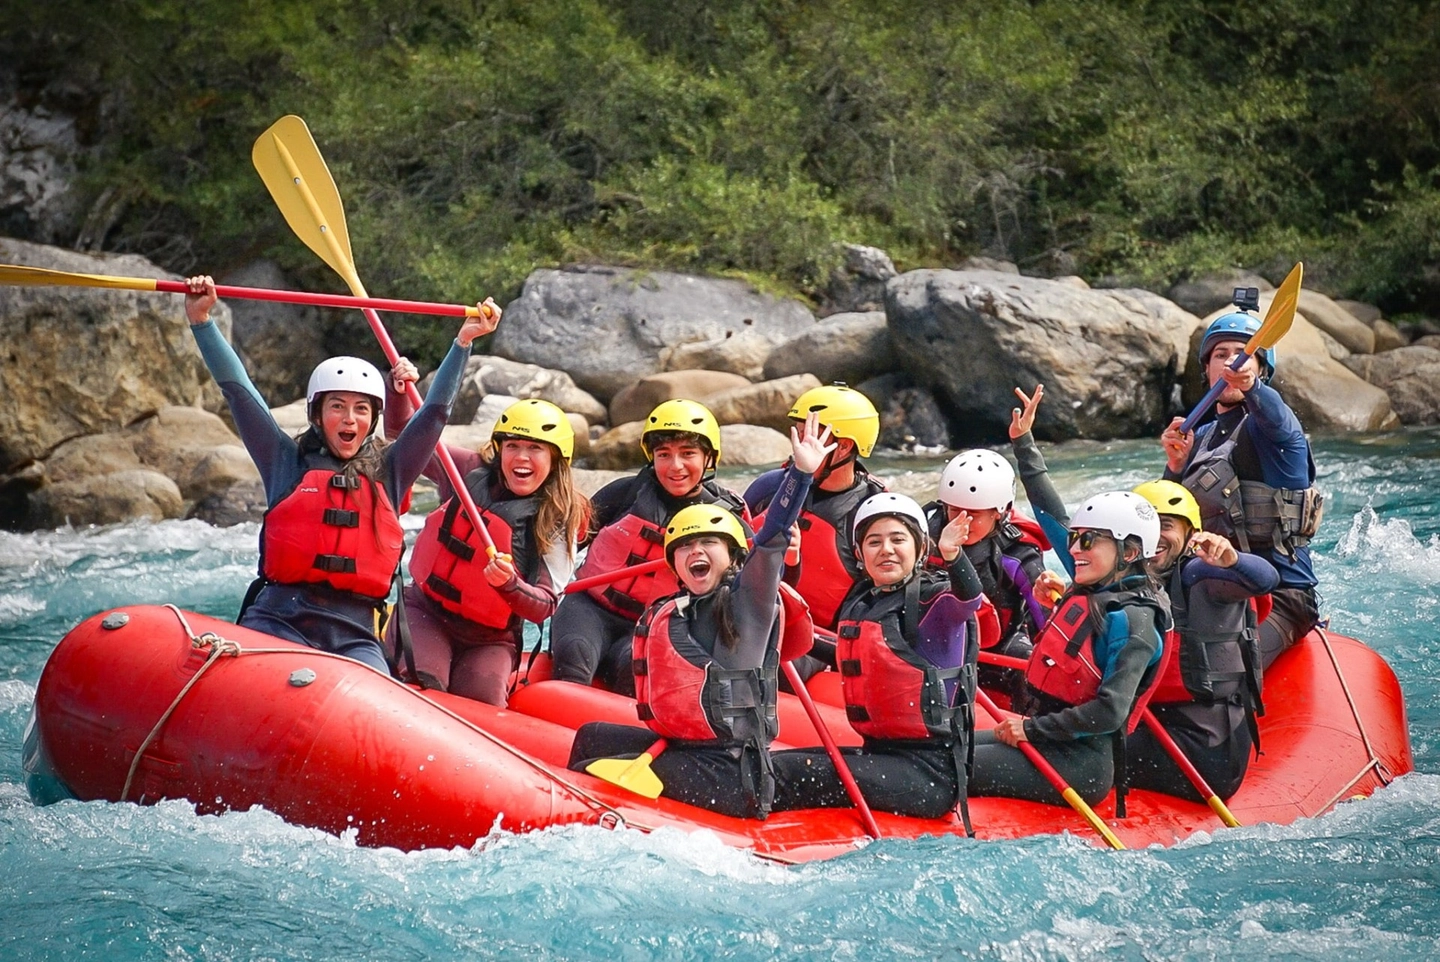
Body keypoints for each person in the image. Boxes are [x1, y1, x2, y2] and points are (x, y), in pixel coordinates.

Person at [181, 275, 498, 671]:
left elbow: (435, 413)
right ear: (316, 413)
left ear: (373, 418)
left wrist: (463, 343)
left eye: (361, 409)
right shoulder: (284, 460)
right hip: (278, 619)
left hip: (355, 634)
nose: (349, 418)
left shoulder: (392, 470)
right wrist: (202, 321)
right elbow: (239, 392)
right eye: (337, 406)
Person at [567, 414, 833, 819]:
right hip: (686, 749)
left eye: (710, 543)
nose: (697, 553)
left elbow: (773, 536)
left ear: (733, 556)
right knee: (591, 737)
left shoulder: (750, 601)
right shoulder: (679, 607)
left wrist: (800, 474)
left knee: (590, 773)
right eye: (686, 547)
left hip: (731, 770)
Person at [771, 493, 984, 821]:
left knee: (788, 774)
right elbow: (854, 653)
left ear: (920, 549)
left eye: (898, 539)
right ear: (859, 554)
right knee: (775, 764)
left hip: (927, 774)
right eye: (874, 542)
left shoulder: (934, 602)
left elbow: (969, 598)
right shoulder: (864, 601)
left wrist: (953, 555)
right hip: (879, 754)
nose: (886, 549)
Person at [381, 379, 590, 705]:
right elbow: (403, 435)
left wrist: (510, 586)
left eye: (535, 448)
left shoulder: (558, 518)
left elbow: (544, 606)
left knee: (484, 704)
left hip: (489, 638)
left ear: (555, 460)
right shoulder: (466, 470)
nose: (521, 457)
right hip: (427, 613)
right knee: (426, 685)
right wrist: (396, 392)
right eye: (513, 446)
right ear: (499, 449)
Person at [969, 491, 1171, 808]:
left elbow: (1110, 713)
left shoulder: (1135, 622)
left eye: (1089, 540)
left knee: (947, 765)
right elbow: (1080, 652)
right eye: (1075, 538)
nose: (1075, 548)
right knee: (945, 747)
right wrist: (1054, 604)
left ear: (1129, 552)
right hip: (1050, 740)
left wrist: (1030, 730)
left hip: (1079, 764)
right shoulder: (1100, 592)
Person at [549, 399, 749, 694]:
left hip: (656, 625)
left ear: (708, 458)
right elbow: (560, 548)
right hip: (591, 609)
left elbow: (756, 590)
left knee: (633, 669)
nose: (675, 466)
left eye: (688, 454)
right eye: (664, 454)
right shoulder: (623, 494)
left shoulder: (724, 519)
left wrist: (791, 559)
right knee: (573, 654)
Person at [1161, 307, 1324, 668]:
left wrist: (1251, 387)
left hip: (1279, 594)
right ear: (1207, 370)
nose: (1232, 361)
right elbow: (1169, 520)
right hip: (1207, 587)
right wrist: (1174, 469)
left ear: (1261, 369)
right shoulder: (1198, 437)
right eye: (1221, 354)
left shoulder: (1274, 433)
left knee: (1217, 672)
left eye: (1243, 353)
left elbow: (1276, 417)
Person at [1127, 480, 1275, 801]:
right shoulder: (1127, 579)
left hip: (1208, 750)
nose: (1153, 535)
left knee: (1077, 750)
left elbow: (1266, 579)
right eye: (1144, 525)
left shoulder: (1202, 577)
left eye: (1165, 525)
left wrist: (1233, 560)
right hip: (1156, 730)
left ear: (1190, 535)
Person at [745, 383, 886, 679]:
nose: (799, 448)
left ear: (844, 446)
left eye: (810, 436)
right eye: (797, 434)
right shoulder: (770, 486)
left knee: (771, 666)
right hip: (755, 620)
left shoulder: (874, 512)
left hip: (820, 642)